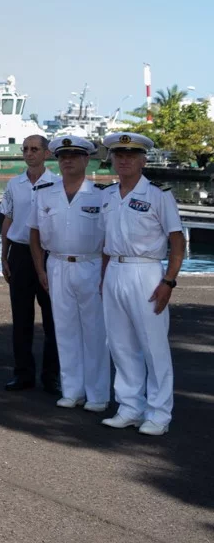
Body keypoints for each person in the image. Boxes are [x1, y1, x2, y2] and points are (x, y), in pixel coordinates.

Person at [98, 132, 185, 436]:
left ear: (143, 160)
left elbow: (177, 241)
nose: (124, 161)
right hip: (114, 271)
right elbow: (106, 242)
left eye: (131, 156)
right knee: (120, 344)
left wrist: (169, 281)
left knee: (153, 346)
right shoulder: (107, 195)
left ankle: (159, 415)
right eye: (119, 155)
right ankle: (130, 407)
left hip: (146, 271)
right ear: (112, 159)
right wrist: (103, 279)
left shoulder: (159, 194)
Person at [24, 135, 107, 412]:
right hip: (57, 264)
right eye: (63, 156)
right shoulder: (44, 193)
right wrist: (40, 269)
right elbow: (34, 234)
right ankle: (72, 390)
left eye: (74, 156)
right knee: (65, 330)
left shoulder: (101, 195)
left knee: (94, 332)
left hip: (91, 264)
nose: (68, 161)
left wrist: (105, 273)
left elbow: (110, 237)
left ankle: (97, 395)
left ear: (86, 159)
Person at [0, 132, 60, 393]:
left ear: (46, 153)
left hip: (48, 254)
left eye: (34, 149)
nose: (29, 153)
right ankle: (23, 374)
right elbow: (8, 219)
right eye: (25, 149)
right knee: (21, 318)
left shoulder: (57, 184)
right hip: (20, 254)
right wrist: (3, 255)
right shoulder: (15, 184)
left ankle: (51, 376)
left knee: (53, 319)